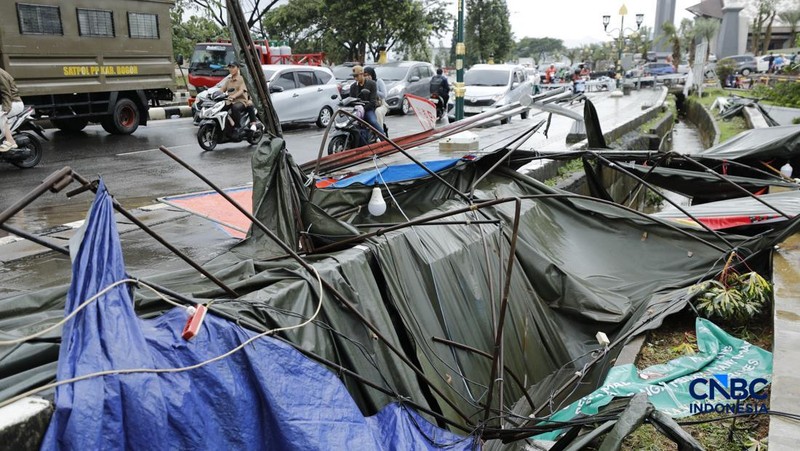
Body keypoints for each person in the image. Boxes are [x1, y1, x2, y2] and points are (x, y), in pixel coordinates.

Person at [220, 61, 257, 132]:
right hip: (230, 101)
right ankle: (228, 124)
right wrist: (214, 94)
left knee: (235, 108)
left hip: (241, 101)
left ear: (238, 68)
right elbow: (222, 89)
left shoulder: (242, 79)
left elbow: (241, 90)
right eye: (229, 67)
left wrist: (233, 96)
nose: (231, 69)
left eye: (233, 67)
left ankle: (238, 126)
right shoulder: (228, 80)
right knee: (220, 108)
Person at [349, 65, 382, 136]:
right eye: (354, 76)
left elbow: (372, 101)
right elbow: (351, 99)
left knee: (373, 121)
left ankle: (385, 140)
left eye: (356, 76)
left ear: (362, 74)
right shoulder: (353, 86)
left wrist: (363, 109)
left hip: (368, 109)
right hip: (356, 111)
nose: (355, 78)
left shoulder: (372, 84)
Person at [0, 68, 22, 152]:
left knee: (0, 114)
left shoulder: (0, 74)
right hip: (7, 103)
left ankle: (10, 141)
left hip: (14, 103)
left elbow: (6, 93)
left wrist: (5, 110)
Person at [364, 66, 388, 134]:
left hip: (381, 104)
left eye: (369, 75)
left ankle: (380, 134)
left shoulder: (378, 81)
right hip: (370, 105)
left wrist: (374, 89)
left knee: (378, 112)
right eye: (365, 75)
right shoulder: (364, 83)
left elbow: (384, 95)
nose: (367, 77)